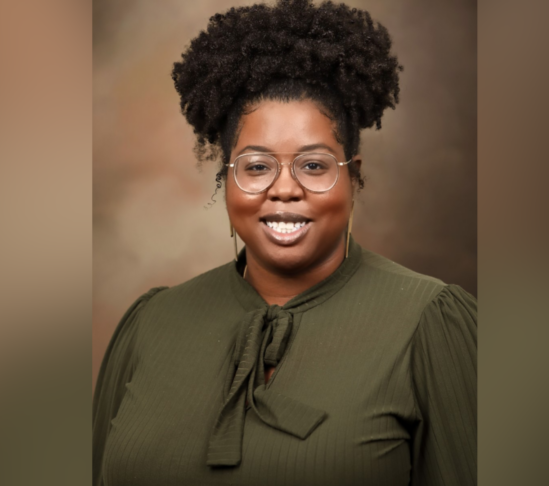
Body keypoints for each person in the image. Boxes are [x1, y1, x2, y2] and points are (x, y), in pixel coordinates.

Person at [92, 0, 476, 484]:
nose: (285, 187)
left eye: (313, 165)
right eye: (256, 166)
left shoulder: (428, 325)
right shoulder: (150, 326)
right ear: (226, 180)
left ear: (352, 178)